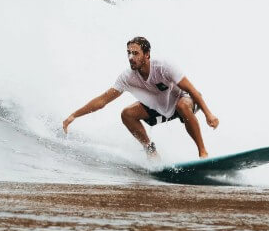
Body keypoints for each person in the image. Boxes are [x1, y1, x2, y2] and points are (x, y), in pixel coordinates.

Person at [62, 36, 219, 159]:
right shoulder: (127, 77)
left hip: (184, 99)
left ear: (147, 54)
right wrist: (74, 115)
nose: (131, 57)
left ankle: (202, 152)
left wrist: (208, 114)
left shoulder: (164, 67)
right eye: (129, 53)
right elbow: (102, 101)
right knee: (127, 114)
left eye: (135, 53)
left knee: (182, 106)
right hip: (161, 108)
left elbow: (193, 91)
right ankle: (151, 151)